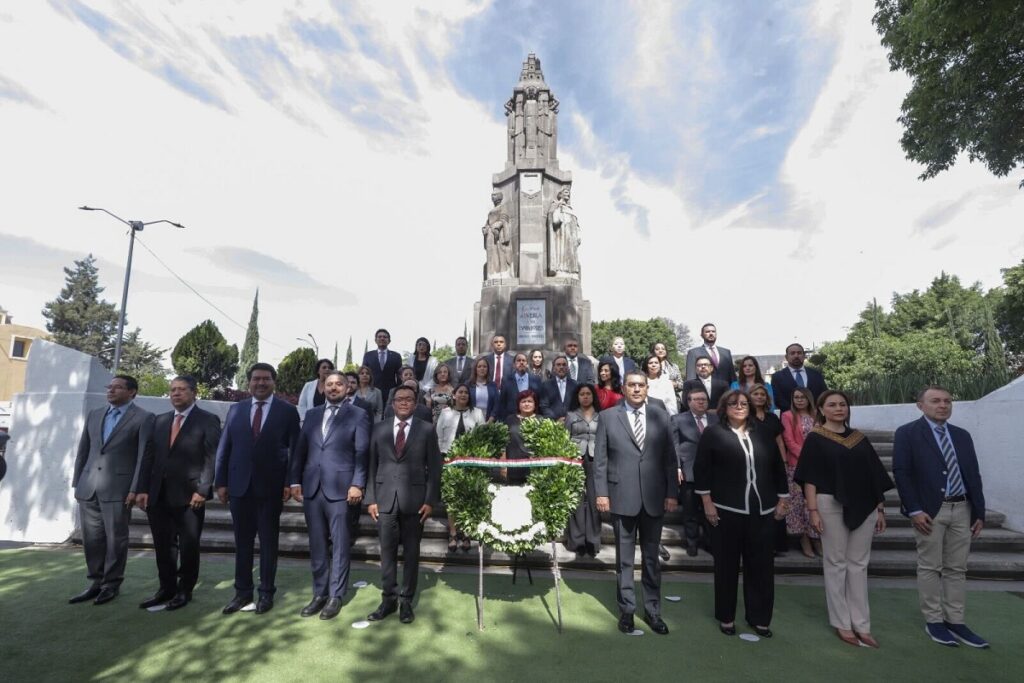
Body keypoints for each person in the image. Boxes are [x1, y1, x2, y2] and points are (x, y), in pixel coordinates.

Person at [796, 390, 893, 648]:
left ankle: (862, 624)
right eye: (832, 405)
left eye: (842, 404)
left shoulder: (859, 438)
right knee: (836, 563)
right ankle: (842, 622)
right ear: (821, 409)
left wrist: (880, 509)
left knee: (859, 565)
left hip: (865, 505)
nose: (839, 408)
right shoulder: (816, 438)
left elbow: (874, 475)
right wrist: (812, 511)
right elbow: (809, 478)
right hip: (829, 504)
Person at [892, 386, 988, 648]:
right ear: (920, 405)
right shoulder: (907, 433)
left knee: (957, 568)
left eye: (947, 401)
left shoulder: (962, 435)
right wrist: (914, 509)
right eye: (935, 401)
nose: (943, 405)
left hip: (963, 509)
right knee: (930, 566)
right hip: (930, 511)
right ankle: (934, 620)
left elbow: (973, 474)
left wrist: (979, 511)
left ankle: (955, 621)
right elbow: (902, 473)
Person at [694, 389, 789, 638]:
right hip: (726, 510)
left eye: (744, 403)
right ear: (724, 408)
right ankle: (726, 617)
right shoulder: (713, 433)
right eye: (734, 403)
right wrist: (707, 502)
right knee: (726, 566)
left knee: (762, 566)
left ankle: (759, 618)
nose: (739, 407)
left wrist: (783, 498)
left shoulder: (764, 432)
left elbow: (777, 466)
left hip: (763, 509)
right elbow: (702, 469)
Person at [594, 370, 679, 636]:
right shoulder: (608, 417)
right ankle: (627, 611)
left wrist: (672, 493)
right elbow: (600, 460)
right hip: (621, 496)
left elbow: (670, 458)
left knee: (652, 559)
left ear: (647, 388)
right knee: (625, 560)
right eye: (632, 385)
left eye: (641, 385)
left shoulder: (661, 416)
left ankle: (653, 611)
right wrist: (601, 493)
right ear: (623, 388)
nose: (637, 389)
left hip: (654, 497)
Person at [215, 362, 300, 615]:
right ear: (249, 382)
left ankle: (266, 593)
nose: (260, 383)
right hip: (239, 486)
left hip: (271, 488)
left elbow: (295, 451)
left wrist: (289, 482)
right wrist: (221, 481)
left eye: (266, 379)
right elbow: (225, 448)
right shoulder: (236, 410)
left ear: (274, 382)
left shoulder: (288, 411)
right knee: (242, 543)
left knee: (268, 543)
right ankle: (242, 593)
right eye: (256, 379)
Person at [289, 371, 371, 620]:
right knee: (316, 544)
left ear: (347, 388)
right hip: (313, 488)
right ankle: (319, 593)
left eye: (339, 384)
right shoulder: (312, 414)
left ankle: (336, 595)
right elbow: (300, 449)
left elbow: (362, 452)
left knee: (340, 544)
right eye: (329, 384)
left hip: (342, 489)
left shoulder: (358, 414)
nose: (333, 388)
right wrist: (295, 480)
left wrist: (358, 484)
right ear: (323, 387)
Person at [136, 375, 220, 611]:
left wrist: (203, 489)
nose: (176, 393)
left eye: (181, 389)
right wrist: (142, 488)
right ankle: (166, 588)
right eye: (173, 390)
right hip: (158, 494)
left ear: (194, 392)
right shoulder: (160, 421)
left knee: (188, 546)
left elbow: (211, 457)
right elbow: (148, 457)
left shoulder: (208, 420)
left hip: (190, 496)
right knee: (163, 546)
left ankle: (185, 590)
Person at [69, 375, 155, 606]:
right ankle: (95, 582)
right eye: (110, 386)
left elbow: (143, 456)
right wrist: (78, 483)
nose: (111, 390)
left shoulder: (144, 418)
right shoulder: (95, 414)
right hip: (89, 487)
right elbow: (83, 450)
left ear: (132, 392)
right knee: (92, 539)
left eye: (118, 387)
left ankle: (111, 584)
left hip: (120, 490)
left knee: (116, 539)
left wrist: (136, 488)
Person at [365, 385, 442, 625]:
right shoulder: (379, 428)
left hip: (415, 502)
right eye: (399, 399)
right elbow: (370, 465)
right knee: (387, 552)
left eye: (409, 399)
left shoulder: (427, 429)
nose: (404, 402)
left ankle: (406, 600)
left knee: (411, 552)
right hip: (384, 499)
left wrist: (430, 501)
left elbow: (435, 468)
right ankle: (388, 599)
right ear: (393, 403)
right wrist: (371, 499)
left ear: (415, 403)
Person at [436, 384, 485, 552]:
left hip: (471, 461)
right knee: (452, 497)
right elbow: (439, 437)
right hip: (449, 460)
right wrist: (441, 458)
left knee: (468, 497)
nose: (463, 395)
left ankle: (466, 533)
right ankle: (453, 533)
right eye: (460, 392)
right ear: (454, 395)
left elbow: (483, 437)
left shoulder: (477, 413)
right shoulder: (445, 413)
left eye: (466, 393)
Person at [671, 387, 719, 557]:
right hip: (688, 471)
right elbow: (674, 445)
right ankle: (692, 542)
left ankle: (710, 542)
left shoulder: (716, 418)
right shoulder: (678, 419)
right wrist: (677, 467)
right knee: (690, 511)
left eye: (704, 399)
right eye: (697, 399)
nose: (701, 402)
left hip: (713, 472)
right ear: (689, 402)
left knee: (711, 509)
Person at [781, 386, 821, 558]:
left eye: (802, 397)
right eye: (796, 397)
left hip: (818, 466)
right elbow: (789, 441)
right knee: (798, 504)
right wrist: (806, 457)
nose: (799, 400)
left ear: (808, 398)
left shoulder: (817, 415)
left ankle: (816, 538)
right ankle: (804, 539)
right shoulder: (787, 416)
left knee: (815, 504)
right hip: (796, 466)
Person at [564, 383, 601, 557]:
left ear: (593, 396)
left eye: (588, 394)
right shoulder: (571, 415)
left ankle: (592, 542)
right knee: (576, 500)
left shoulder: (601, 416)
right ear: (577, 397)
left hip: (596, 459)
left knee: (594, 500)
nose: (585, 397)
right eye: (582, 394)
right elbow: (565, 438)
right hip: (575, 459)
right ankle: (577, 541)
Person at [770, 343, 827, 413]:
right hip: (790, 417)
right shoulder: (777, 377)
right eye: (792, 353)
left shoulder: (816, 374)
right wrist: (796, 413)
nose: (796, 356)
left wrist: (813, 411)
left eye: (799, 353)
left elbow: (824, 395)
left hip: (815, 416)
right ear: (786, 357)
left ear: (804, 356)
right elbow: (778, 399)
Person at [503, 390, 541, 485]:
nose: (526, 404)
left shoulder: (541, 420)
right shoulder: (510, 420)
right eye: (523, 401)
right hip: (513, 468)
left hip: (535, 469)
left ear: (535, 404)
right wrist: (503, 466)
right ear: (518, 404)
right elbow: (503, 443)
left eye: (530, 401)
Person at [498, 352, 542, 419]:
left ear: (527, 364)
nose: (521, 362)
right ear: (514, 364)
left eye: (523, 361)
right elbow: (502, 402)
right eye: (518, 360)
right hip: (512, 418)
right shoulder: (506, 379)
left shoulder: (536, 379)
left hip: (531, 418)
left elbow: (539, 400)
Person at [362, 328, 403, 401]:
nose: (382, 338)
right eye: (379, 337)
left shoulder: (396, 356)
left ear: (389, 341)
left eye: (385, 337)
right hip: (372, 391)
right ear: (375, 340)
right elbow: (363, 373)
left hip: (390, 392)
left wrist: (399, 390)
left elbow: (400, 376)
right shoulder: (368, 355)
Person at [539, 355, 576, 420]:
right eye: (558, 365)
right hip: (552, 422)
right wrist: (556, 419)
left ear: (568, 368)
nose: (561, 367)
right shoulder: (546, 385)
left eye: (564, 365)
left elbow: (578, 405)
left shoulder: (575, 385)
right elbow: (544, 406)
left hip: (572, 422)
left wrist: (568, 419)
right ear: (553, 368)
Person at [297, 358, 335, 422]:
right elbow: (302, 405)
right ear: (318, 371)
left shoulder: (334, 387)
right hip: (310, 421)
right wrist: (304, 419)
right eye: (324, 367)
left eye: (329, 368)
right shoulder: (309, 385)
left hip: (327, 422)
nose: (327, 369)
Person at [651, 341, 683, 407]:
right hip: (655, 400)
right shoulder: (649, 366)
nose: (660, 351)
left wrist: (675, 384)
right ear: (653, 351)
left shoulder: (674, 367)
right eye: (657, 349)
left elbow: (682, 385)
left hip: (673, 401)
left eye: (663, 349)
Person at [468, 357, 499, 421]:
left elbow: (496, 404)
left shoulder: (493, 385)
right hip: (471, 418)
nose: (482, 368)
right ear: (475, 369)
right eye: (479, 366)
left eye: (484, 366)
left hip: (489, 419)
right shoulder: (468, 384)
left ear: (488, 369)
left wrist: (491, 419)